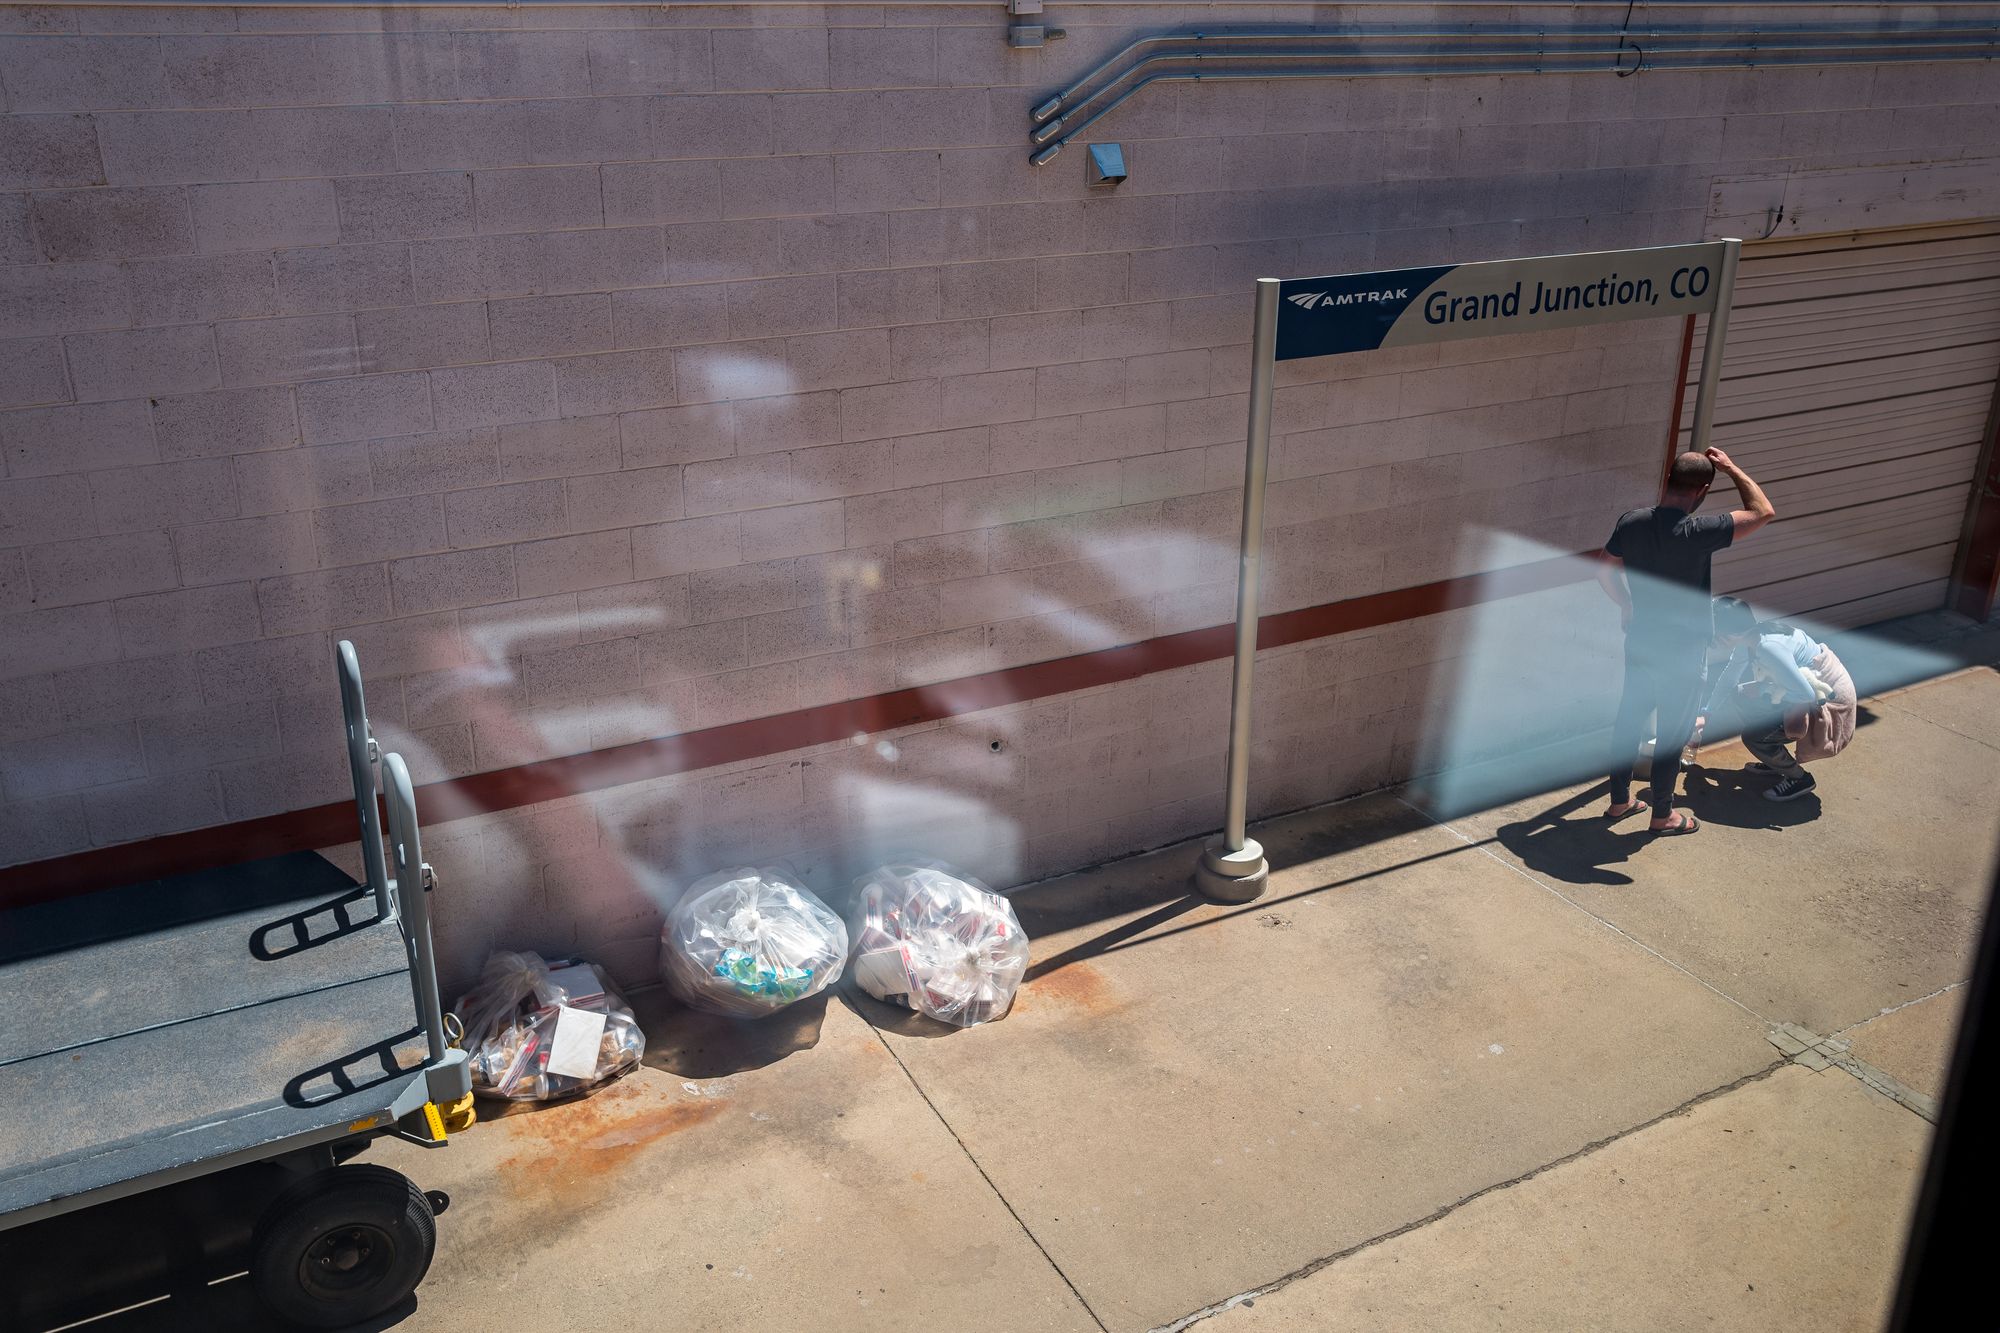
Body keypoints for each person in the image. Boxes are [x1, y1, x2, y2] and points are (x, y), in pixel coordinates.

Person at [1596, 447, 1776, 834]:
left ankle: (1620, 803)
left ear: (1667, 480)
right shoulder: (1700, 532)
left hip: (1641, 641)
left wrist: (1626, 605)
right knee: (1673, 733)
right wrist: (1731, 468)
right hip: (1682, 653)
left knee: (1629, 720)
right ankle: (1663, 815)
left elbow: (1605, 568)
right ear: (1703, 490)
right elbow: (1763, 511)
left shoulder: (1633, 522)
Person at [1698, 596, 1855, 801]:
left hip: (1828, 702)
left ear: (1728, 634)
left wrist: (1763, 688)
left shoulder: (1768, 647)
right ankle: (1774, 758)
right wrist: (1707, 713)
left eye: (1714, 631)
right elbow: (1730, 677)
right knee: (1740, 696)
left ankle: (1799, 778)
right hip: (1811, 691)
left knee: (1754, 737)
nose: (1712, 637)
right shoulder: (1752, 636)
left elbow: (1806, 694)